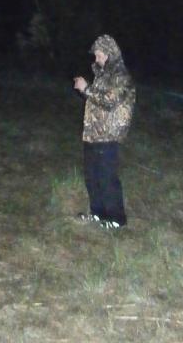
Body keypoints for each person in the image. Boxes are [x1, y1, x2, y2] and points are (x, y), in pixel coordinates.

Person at [73, 34, 136, 230]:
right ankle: (98, 214)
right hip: (93, 134)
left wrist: (86, 88)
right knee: (92, 177)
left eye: (100, 55)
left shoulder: (121, 77)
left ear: (110, 54)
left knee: (107, 178)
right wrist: (86, 91)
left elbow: (109, 101)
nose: (96, 59)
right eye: (96, 55)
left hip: (108, 135)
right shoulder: (102, 76)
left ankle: (117, 219)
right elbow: (96, 101)